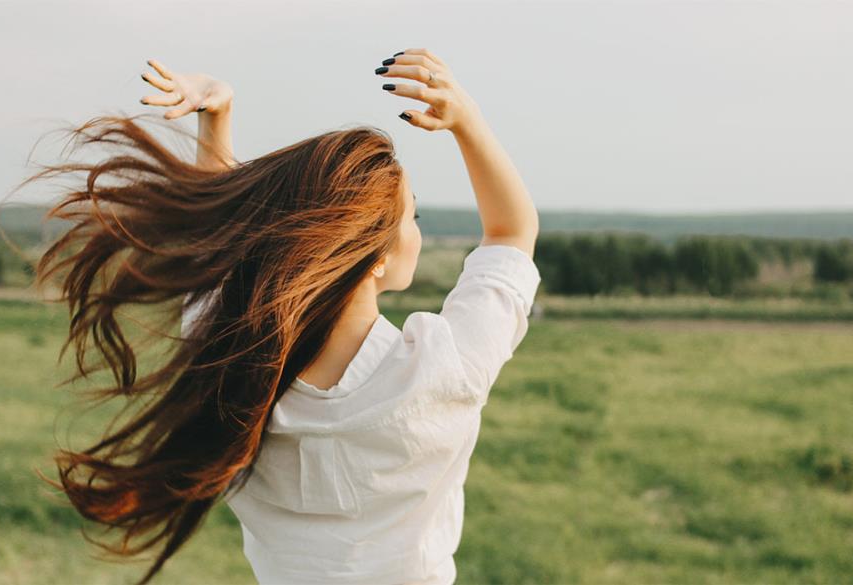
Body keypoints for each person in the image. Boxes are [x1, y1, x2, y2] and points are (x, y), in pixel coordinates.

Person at [31, 48, 540, 585]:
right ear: (376, 256)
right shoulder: (444, 369)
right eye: (410, 216)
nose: (417, 227)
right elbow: (511, 233)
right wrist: (467, 120)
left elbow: (220, 253)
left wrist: (217, 118)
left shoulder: (231, 368)